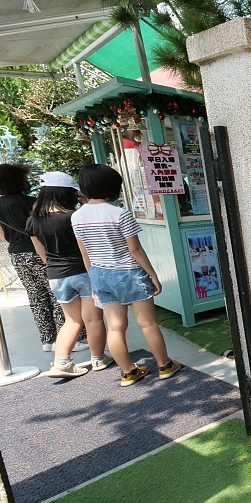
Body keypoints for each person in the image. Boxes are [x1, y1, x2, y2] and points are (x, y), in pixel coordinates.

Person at [71, 165, 181, 386]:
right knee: (147, 323)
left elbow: (85, 254)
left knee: (114, 326)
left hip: (100, 274)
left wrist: (93, 279)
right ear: (111, 187)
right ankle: (164, 365)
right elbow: (135, 250)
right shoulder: (120, 214)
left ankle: (128, 372)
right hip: (128, 272)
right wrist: (153, 275)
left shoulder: (77, 217)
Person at [24, 172, 110, 377]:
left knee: (71, 320)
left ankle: (61, 362)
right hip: (83, 271)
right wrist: (86, 200)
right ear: (67, 193)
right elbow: (86, 248)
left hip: (56, 274)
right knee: (93, 319)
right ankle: (98, 358)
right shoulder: (73, 217)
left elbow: (41, 253)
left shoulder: (33, 220)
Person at [0, 164, 79, 354]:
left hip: (16, 254)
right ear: (18, 180)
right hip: (40, 251)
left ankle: (47, 339)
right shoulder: (32, 202)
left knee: (36, 297)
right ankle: (66, 338)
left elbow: (0, 235)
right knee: (57, 295)